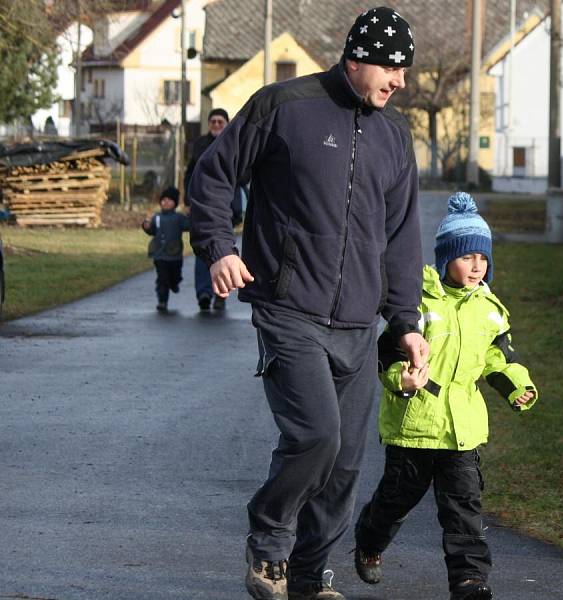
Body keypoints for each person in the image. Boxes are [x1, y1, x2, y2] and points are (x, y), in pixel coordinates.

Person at [188, 7, 428, 600]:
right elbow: (214, 176)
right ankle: (268, 544)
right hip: (288, 308)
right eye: (391, 67)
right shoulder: (284, 107)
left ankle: (306, 576)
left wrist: (405, 323)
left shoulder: (395, 137)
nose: (400, 80)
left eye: (406, 69)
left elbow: (401, 239)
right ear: (355, 59)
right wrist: (219, 247)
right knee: (315, 436)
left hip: (357, 324)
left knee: (345, 464)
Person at [353, 192, 538, 600]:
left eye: (483, 258)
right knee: (395, 502)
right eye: (467, 256)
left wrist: (517, 387)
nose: (477, 266)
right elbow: (386, 354)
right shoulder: (417, 304)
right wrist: (403, 379)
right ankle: (369, 540)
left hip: (462, 432)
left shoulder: (490, 309)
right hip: (414, 427)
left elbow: (499, 359)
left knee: (464, 512)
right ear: (445, 258)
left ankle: (469, 581)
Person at [183, 107, 243, 311]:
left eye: (220, 122)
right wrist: (188, 200)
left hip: (226, 208)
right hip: (201, 206)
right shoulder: (200, 145)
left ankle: (221, 294)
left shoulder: (235, 143)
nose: (216, 125)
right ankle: (203, 293)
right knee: (203, 250)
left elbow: (243, 177)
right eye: (213, 122)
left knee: (223, 252)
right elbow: (191, 173)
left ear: (226, 124)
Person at [142, 186, 190, 312]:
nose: (166, 202)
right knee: (162, 279)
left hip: (175, 255)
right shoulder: (156, 217)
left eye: (169, 200)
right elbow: (151, 230)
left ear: (175, 203)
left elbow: (188, 226)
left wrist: (191, 216)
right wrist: (146, 226)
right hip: (159, 254)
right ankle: (162, 300)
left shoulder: (179, 218)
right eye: (163, 200)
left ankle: (175, 283)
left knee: (175, 276)